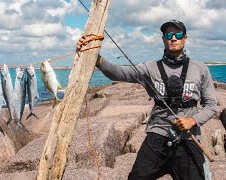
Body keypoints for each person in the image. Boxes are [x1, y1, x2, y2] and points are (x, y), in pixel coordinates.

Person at [76, 20, 217, 180]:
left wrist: (193, 120)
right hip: (157, 137)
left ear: (185, 38)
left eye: (177, 34)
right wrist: (95, 57)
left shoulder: (200, 68)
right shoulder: (149, 68)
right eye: (168, 34)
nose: (173, 38)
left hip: (189, 138)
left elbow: (211, 105)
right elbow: (119, 73)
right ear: (163, 39)